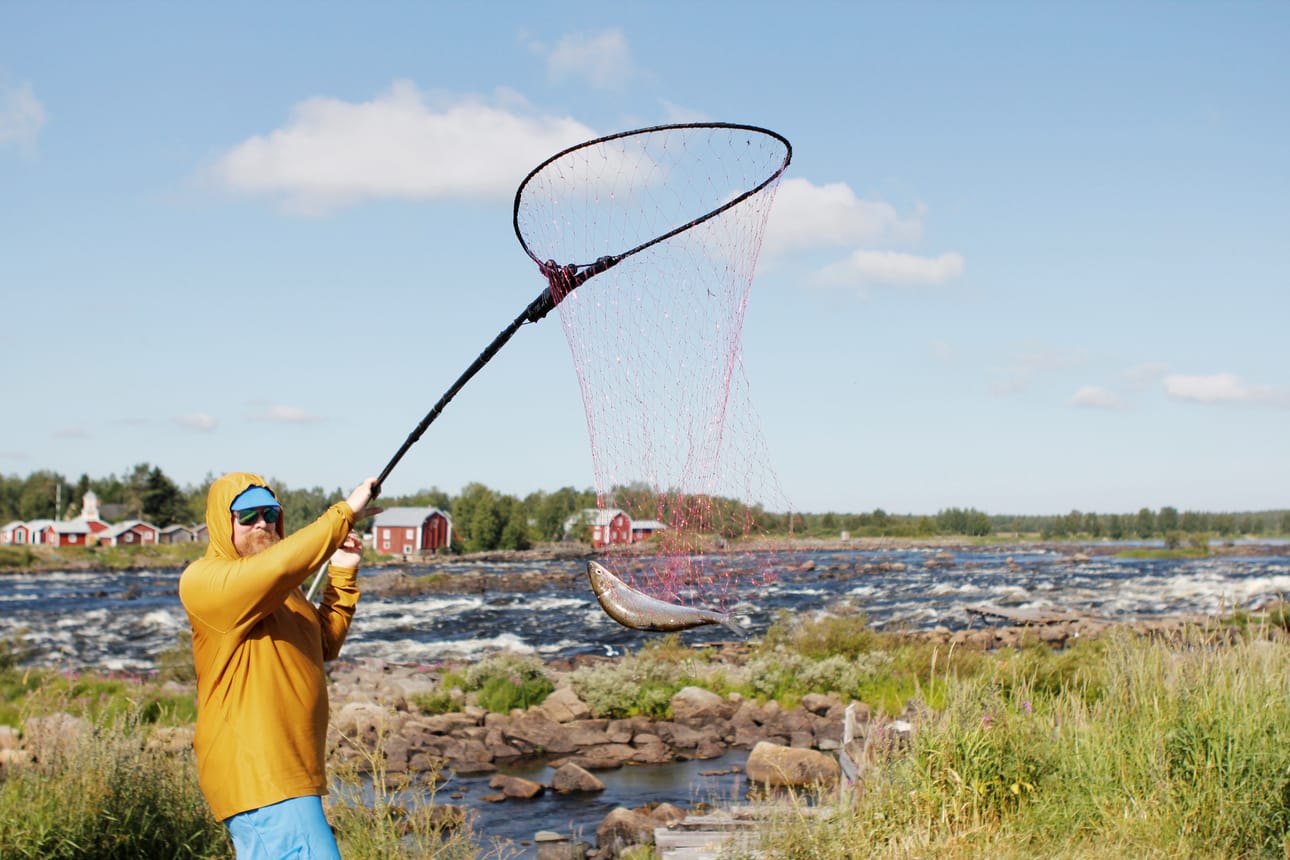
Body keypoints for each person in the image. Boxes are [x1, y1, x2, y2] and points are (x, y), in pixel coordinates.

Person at [179, 471, 381, 859]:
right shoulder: (205, 581)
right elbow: (279, 566)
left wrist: (343, 570)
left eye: (270, 514)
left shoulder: (283, 592)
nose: (263, 524)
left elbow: (322, 645)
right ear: (223, 523)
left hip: (287, 772)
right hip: (257, 770)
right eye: (249, 516)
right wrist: (343, 514)